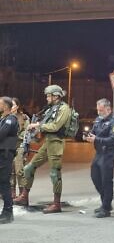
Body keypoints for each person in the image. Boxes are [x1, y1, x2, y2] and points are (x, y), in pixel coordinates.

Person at [14, 85, 71, 214]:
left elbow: (55, 126)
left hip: (57, 142)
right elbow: (44, 124)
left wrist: (38, 126)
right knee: (29, 167)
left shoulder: (64, 109)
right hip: (48, 142)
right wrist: (35, 131)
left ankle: (56, 204)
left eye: (48, 95)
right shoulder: (51, 109)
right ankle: (24, 196)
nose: (47, 98)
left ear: (56, 96)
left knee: (55, 173)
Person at [84, 98, 114, 218]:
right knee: (95, 177)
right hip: (98, 154)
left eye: (101, 110)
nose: (99, 112)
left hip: (108, 154)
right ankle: (106, 202)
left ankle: (106, 207)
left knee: (106, 181)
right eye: (98, 110)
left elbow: (112, 139)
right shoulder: (98, 120)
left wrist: (96, 139)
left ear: (108, 109)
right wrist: (88, 136)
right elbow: (94, 132)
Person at [0, 96, 19, 224]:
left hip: (5, 155)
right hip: (2, 154)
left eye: (0, 103)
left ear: (6, 106)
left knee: (4, 182)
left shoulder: (11, 119)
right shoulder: (4, 119)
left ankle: (8, 212)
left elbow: (1, 134)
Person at [10, 98, 30, 199]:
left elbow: (26, 133)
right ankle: (12, 191)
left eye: (13, 105)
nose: (10, 107)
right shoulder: (4, 117)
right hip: (7, 147)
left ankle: (22, 193)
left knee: (19, 170)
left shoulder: (23, 118)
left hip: (19, 146)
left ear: (17, 106)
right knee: (9, 170)